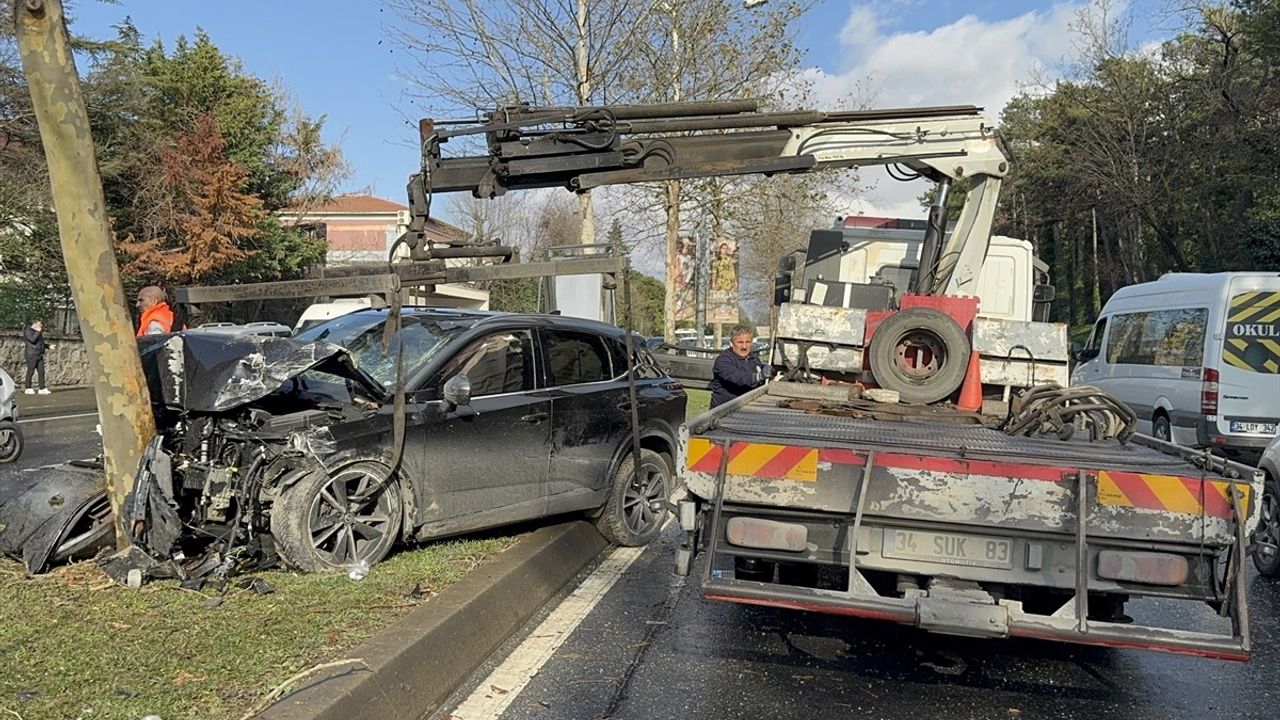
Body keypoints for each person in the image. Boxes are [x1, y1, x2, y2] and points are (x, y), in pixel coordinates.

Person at [709, 325, 766, 408]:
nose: (744, 347)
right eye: (740, 342)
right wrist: (759, 376)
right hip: (724, 410)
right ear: (731, 343)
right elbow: (738, 377)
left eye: (748, 342)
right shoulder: (723, 360)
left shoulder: (753, 358)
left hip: (750, 406)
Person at [22, 318, 53, 395]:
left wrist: (48, 346)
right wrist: (38, 332)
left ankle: (42, 388)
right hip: (31, 354)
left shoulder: (38, 332)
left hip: (39, 354)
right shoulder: (28, 331)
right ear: (34, 324)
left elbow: (40, 343)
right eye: (39, 324)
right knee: (31, 371)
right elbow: (32, 340)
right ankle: (28, 387)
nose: (41, 325)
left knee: (41, 371)